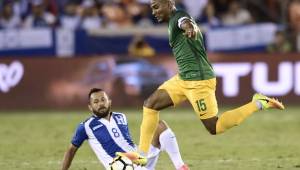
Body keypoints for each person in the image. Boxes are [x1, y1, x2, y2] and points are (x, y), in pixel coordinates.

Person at [119, 0, 285, 166]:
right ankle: (142, 153)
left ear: (169, 4)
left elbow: (185, 23)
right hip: (183, 78)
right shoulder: (172, 20)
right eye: (152, 8)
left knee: (215, 127)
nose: (154, 12)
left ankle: (258, 103)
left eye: (156, 7)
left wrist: (189, 27)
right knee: (150, 104)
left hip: (199, 81)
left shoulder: (180, 16)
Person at [61, 88, 189, 170]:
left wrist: (139, 155)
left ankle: (181, 166)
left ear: (109, 102)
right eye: (96, 102)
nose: (100, 103)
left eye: (103, 100)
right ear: (90, 107)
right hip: (119, 164)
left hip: (137, 157)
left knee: (159, 125)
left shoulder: (121, 116)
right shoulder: (86, 126)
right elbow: (71, 150)